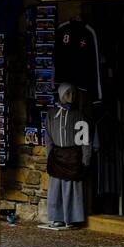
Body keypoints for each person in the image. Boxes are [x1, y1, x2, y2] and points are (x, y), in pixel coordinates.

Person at [42, 82, 90, 230]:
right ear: (61, 95)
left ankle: (73, 218)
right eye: (68, 93)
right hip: (57, 156)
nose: (71, 97)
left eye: (73, 94)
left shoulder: (78, 115)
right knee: (56, 188)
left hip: (73, 156)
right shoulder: (51, 114)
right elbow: (48, 136)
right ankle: (57, 217)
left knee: (72, 188)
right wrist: (49, 154)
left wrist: (85, 158)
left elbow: (84, 139)